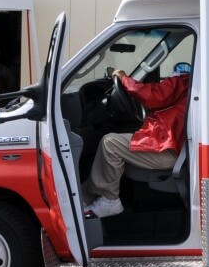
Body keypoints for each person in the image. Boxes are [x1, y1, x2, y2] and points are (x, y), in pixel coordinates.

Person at [82, 63, 192, 218]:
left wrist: (123, 78)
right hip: (172, 145)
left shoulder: (184, 81)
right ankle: (84, 197)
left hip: (167, 150)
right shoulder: (192, 83)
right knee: (118, 138)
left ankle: (110, 200)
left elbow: (150, 95)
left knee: (110, 143)